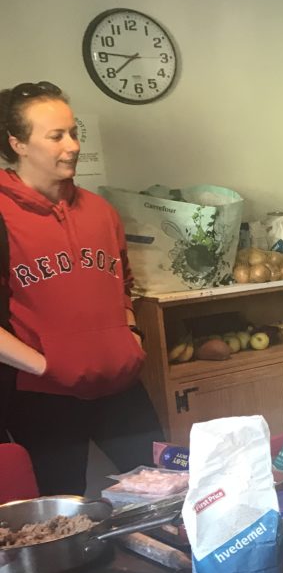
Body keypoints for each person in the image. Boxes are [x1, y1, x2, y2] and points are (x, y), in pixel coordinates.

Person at [0, 80, 163, 495]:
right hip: (44, 397)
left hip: (121, 386)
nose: (71, 145)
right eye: (56, 136)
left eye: (74, 133)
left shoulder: (101, 212)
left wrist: (129, 336)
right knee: (62, 512)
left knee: (165, 492)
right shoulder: (4, 215)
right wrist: (47, 367)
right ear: (17, 143)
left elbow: (123, 285)